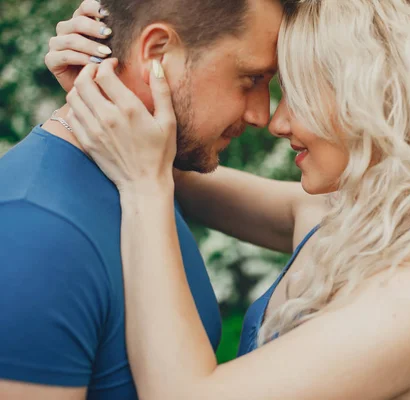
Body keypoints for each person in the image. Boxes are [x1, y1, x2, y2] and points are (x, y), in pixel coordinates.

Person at [57, 0, 410, 398]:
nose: (276, 121)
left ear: (374, 96)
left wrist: (144, 188)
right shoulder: (347, 213)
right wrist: (111, 83)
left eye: (296, 94)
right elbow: (178, 181)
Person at [0, 0, 285, 398]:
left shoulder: (146, 174)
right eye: (250, 78)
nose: (261, 115)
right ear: (157, 53)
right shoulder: (32, 236)